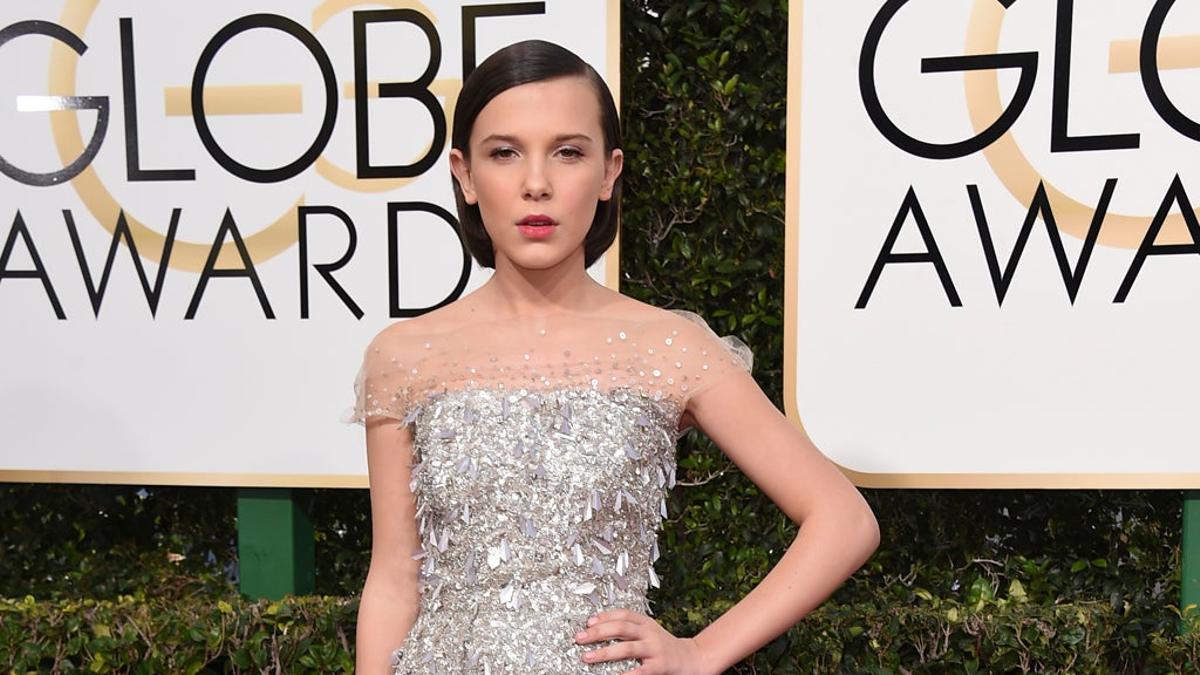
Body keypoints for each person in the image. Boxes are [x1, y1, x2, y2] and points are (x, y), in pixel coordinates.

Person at [350, 39, 879, 675]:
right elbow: (394, 579)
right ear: (464, 174)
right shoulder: (405, 356)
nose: (536, 184)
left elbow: (844, 521)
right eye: (505, 153)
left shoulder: (669, 348)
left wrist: (700, 653)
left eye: (568, 152)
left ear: (608, 172)